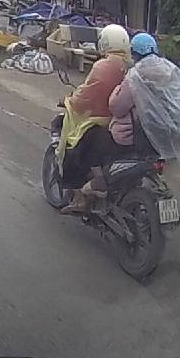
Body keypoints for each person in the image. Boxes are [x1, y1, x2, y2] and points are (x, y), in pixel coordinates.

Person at [58, 24, 132, 215]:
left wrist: (70, 100)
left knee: (74, 148)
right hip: (129, 125)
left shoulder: (104, 65)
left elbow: (87, 94)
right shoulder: (131, 66)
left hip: (103, 122)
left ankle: (80, 199)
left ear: (105, 43)